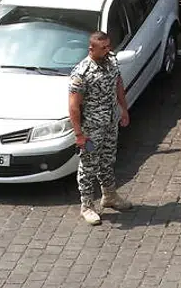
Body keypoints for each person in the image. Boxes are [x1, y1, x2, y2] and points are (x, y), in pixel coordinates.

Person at [68, 31, 131, 225]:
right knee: (88, 166)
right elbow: (73, 106)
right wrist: (79, 134)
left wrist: (123, 109)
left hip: (110, 123)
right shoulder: (82, 73)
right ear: (91, 49)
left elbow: (118, 83)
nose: (108, 50)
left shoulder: (111, 61)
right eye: (103, 48)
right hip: (91, 129)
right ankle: (87, 206)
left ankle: (109, 196)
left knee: (108, 159)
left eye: (108, 46)